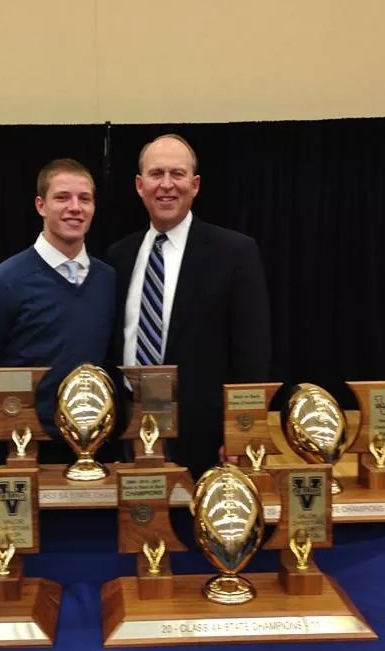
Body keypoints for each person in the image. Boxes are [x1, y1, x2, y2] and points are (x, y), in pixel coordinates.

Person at [105, 134, 271, 479]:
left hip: (206, 439)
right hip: (130, 432)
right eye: (156, 174)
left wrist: (242, 434)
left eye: (177, 174)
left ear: (194, 185)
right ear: (139, 185)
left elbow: (252, 352)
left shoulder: (235, 252)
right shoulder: (119, 255)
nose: (167, 185)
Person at [0, 159, 116, 491]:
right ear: (40, 205)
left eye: (84, 199)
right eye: (62, 197)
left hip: (97, 451)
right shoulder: (2, 282)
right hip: (21, 451)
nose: (75, 208)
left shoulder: (108, 279)